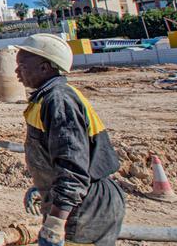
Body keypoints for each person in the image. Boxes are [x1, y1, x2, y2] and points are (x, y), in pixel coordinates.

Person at [16, 34, 125, 246]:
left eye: (22, 65)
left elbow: (73, 163)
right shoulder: (48, 97)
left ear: (44, 68)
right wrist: (46, 187)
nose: (17, 71)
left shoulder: (59, 100)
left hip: (85, 209)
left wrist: (56, 220)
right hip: (80, 202)